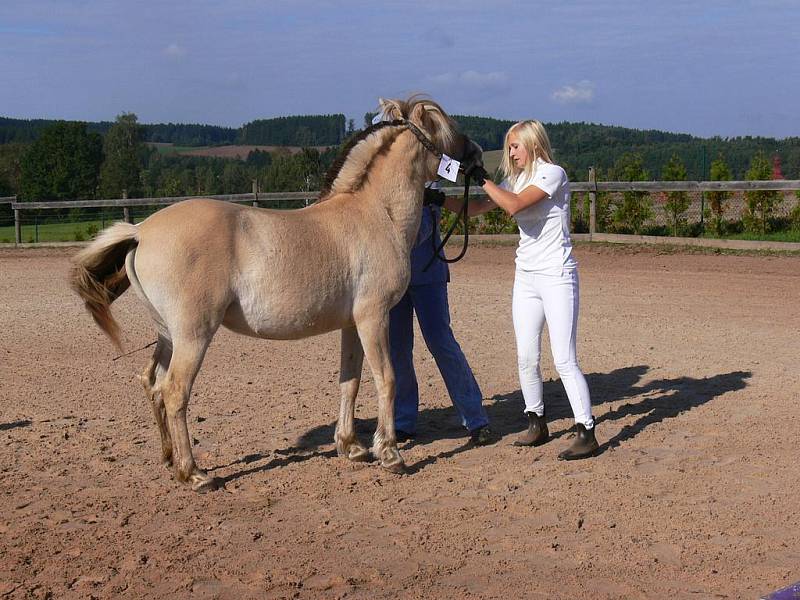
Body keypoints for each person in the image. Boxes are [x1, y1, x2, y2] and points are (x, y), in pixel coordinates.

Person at [463, 120, 599, 460]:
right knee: (526, 356)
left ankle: (587, 429)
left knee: (564, 358)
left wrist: (481, 178)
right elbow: (480, 208)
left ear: (533, 145)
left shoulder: (553, 173)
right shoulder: (515, 179)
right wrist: (436, 201)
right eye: (508, 146)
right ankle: (535, 421)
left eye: (515, 146)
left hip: (557, 274)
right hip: (526, 276)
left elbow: (513, 205)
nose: (511, 152)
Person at [388, 185, 496, 446]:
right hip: (391, 279)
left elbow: (418, 232)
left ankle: (475, 418)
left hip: (427, 274)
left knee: (441, 343)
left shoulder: (429, 180)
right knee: (397, 350)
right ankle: (403, 420)